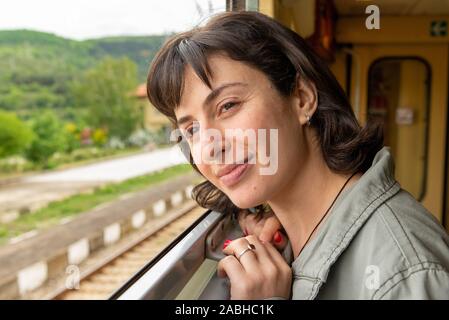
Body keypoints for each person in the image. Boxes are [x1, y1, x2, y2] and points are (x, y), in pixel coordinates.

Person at [147, 11, 449, 299]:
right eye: (192, 129)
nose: (210, 146)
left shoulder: (405, 272)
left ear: (302, 98)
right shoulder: (292, 230)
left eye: (228, 106)